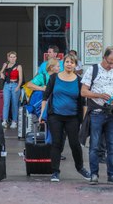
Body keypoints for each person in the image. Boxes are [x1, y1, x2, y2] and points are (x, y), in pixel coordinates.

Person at [39, 54, 91, 182]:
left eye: (72, 62)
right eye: (67, 62)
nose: (69, 64)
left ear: (75, 65)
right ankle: (55, 172)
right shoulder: (54, 78)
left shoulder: (79, 81)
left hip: (73, 117)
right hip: (55, 116)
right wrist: (42, 114)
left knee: (75, 144)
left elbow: (84, 102)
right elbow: (45, 97)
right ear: (64, 63)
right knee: (56, 143)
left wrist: (84, 120)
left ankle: (80, 168)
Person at [80, 46, 113, 185]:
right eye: (110, 62)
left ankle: (111, 174)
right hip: (96, 113)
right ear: (103, 58)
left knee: (112, 145)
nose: (112, 65)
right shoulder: (93, 70)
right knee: (94, 145)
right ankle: (94, 174)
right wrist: (100, 95)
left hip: (112, 112)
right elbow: (83, 92)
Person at [0, 51, 23, 129]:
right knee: (6, 103)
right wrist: (2, 73)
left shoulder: (19, 66)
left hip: (15, 84)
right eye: (11, 57)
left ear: (16, 58)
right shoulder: (5, 64)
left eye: (14, 57)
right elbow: (0, 72)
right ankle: (5, 120)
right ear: (8, 58)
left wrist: (18, 87)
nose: (12, 58)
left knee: (15, 104)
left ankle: (14, 121)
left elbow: (21, 79)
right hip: (7, 85)